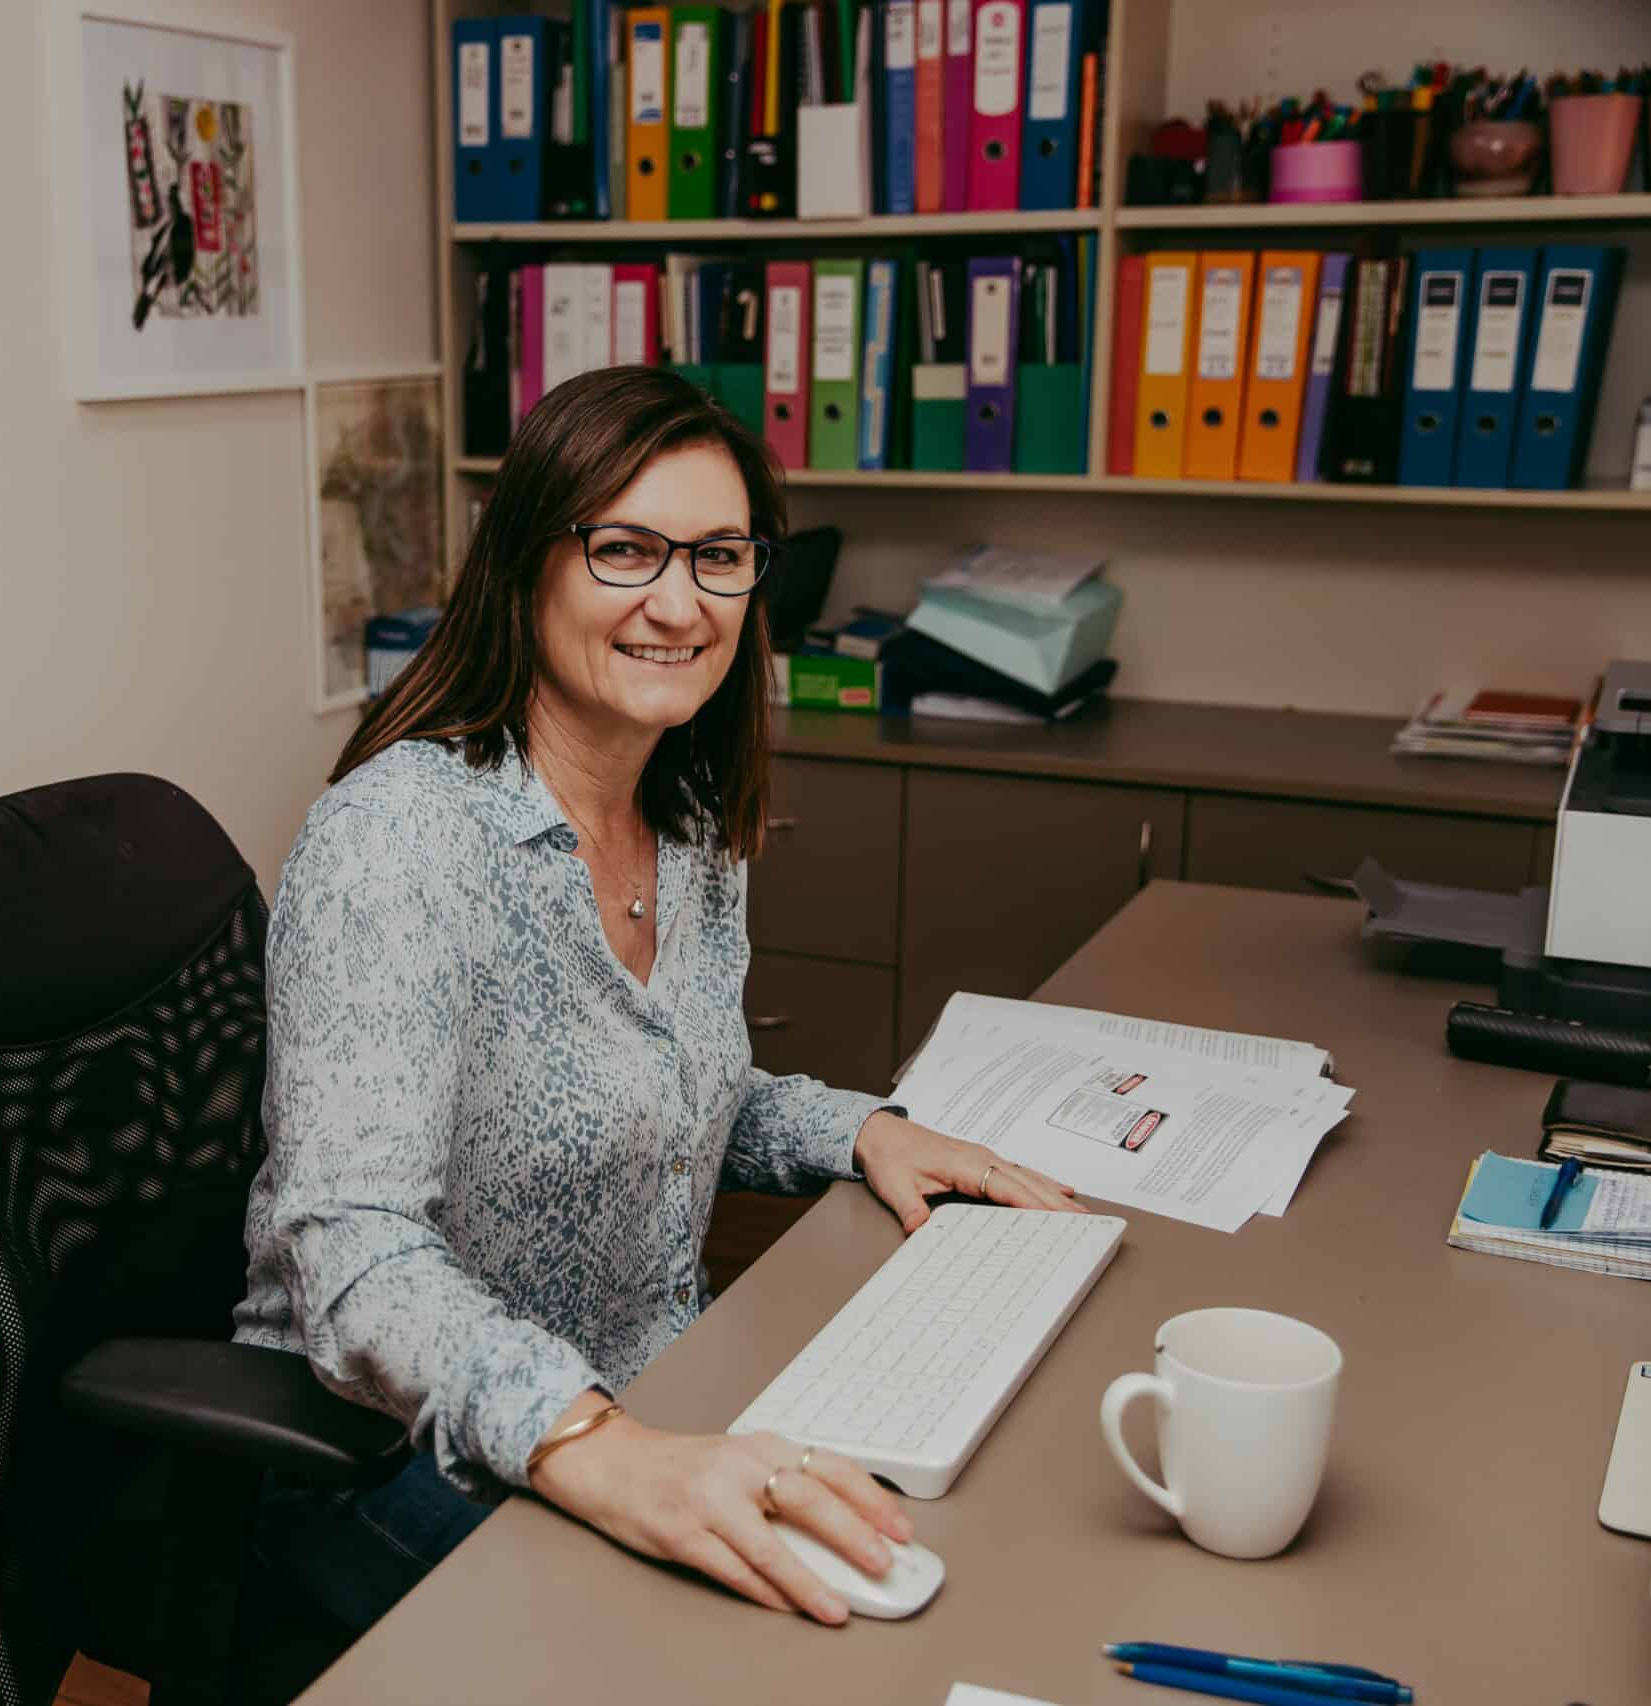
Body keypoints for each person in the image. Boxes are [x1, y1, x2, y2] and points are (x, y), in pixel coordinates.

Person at [234, 366, 1084, 1637]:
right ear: (531, 562)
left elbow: (673, 1093)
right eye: (625, 550)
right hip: (382, 1452)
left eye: (720, 555)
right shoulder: (397, 842)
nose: (679, 603)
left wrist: (859, 1130)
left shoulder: (682, 817)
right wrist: (592, 1438)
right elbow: (351, 1250)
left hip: (640, 1400)